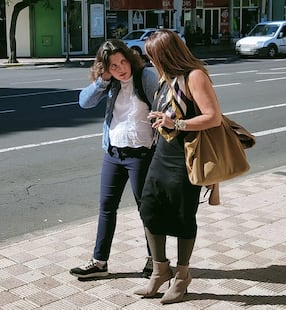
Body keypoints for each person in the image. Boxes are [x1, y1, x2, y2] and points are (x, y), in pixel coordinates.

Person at [133, 29, 222, 304]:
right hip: (162, 154)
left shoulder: (194, 75)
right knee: (149, 208)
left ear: (166, 54)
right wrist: (160, 118)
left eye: (153, 56)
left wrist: (177, 124)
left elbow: (213, 117)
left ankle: (182, 277)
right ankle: (160, 269)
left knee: (183, 217)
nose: (150, 62)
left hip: (186, 158)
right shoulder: (166, 78)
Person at [69, 39, 158, 279]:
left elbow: (165, 104)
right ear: (106, 67)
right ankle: (99, 262)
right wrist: (104, 79)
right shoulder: (110, 83)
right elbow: (83, 102)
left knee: (146, 209)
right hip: (114, 153)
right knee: (107, 208)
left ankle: (155, 260)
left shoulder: (145, 78)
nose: (121, 68)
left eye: (123, 61)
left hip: (141, 154)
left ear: (130, 58)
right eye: (114, 65)